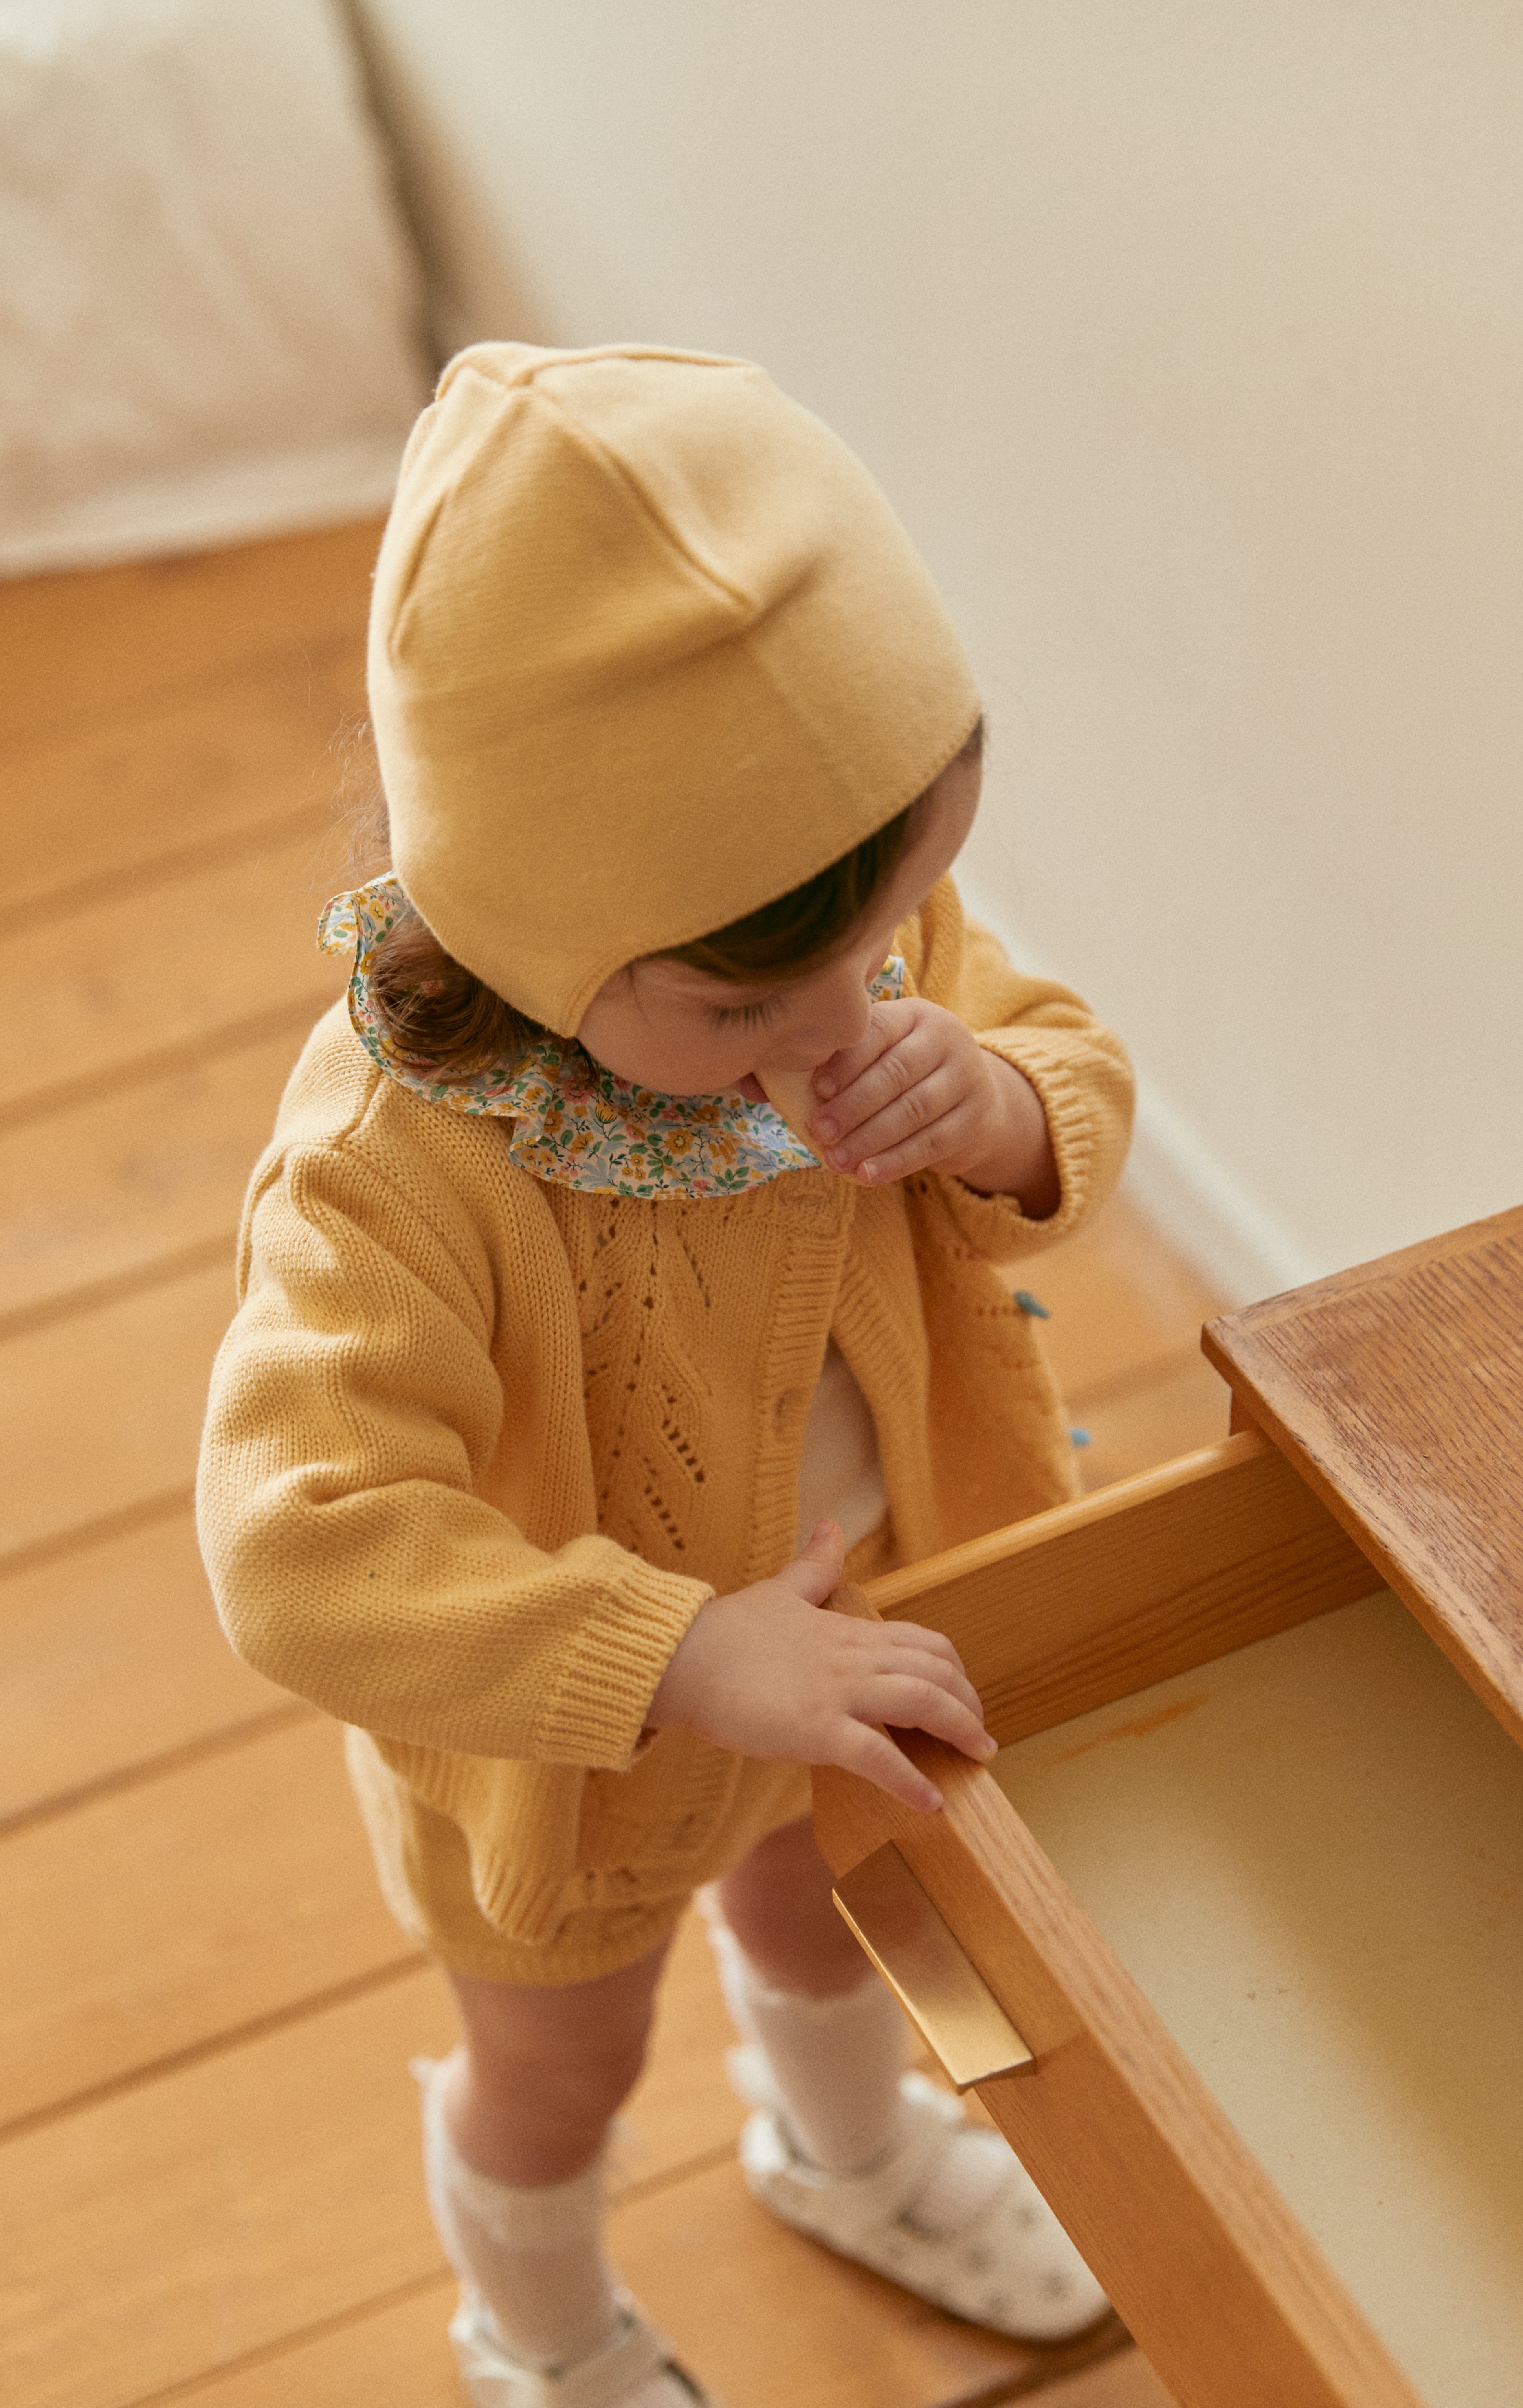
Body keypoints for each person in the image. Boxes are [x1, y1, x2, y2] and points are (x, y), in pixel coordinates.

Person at [198, 342, 1135, 2408]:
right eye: (736, 1012)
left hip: (864, 1629)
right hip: (575, 1748)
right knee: (561, 2069)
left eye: (883, 940)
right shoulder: (394, 1166)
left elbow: (1068, 1068)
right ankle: (535, 2330)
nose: (831, 1029)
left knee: (838, 1926)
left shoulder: (847, 929)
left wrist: (990, 1101)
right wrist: (680, 1656)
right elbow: (293, 1549)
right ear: (532, 932)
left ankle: (848, 2149)